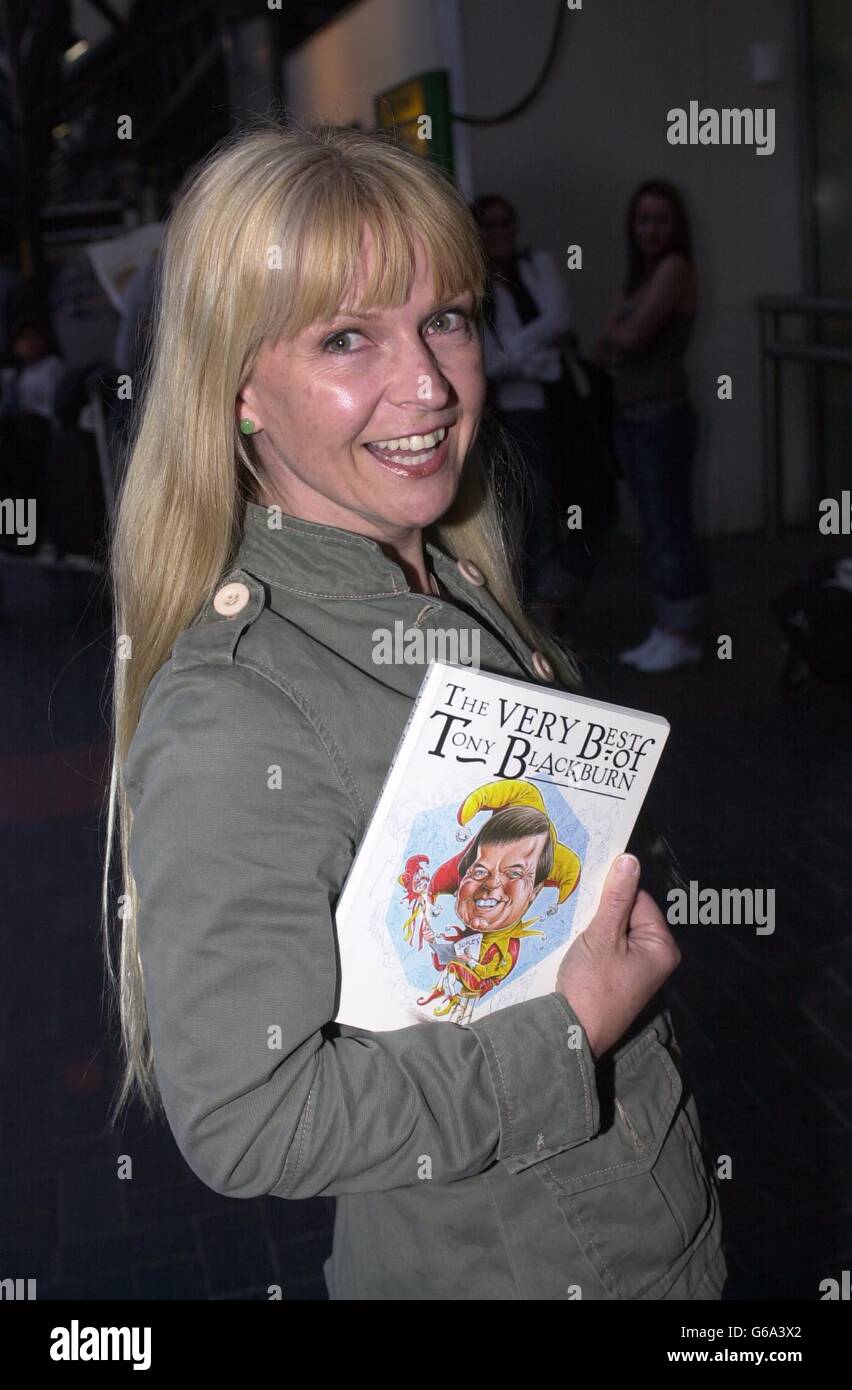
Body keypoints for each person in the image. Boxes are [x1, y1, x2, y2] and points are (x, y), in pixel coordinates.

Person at [104, 120, 726, 1301]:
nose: (431, 385)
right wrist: (569, 1034)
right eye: (348, 338)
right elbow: (248, 1119)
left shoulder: (449, 565)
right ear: (238, 390)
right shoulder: (236, 709)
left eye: (445, 315)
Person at [593, 179, 709, 673]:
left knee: (669, 529)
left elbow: (630, 336)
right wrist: (619, 335)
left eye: (661, 219)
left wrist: (622, 332)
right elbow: (604, 344)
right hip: (635, 418)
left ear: (676, 225)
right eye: (643, 219)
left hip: (662, 418)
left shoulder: (674, 269)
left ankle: (679, 633)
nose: (652, 229)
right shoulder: (641, 275)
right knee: (656, 528)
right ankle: (667, 627)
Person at [471, 195, 581, 630]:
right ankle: (520, 614)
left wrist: (512, 354)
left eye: (506, 224)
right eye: (490, 226)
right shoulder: (475, 285)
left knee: (552, 507)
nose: (500, 234)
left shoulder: (537, 266)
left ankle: (547, 608)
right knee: (513, 513)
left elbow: (559, 319)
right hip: (502, 416)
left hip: (552, 410)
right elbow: (487, 362)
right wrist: (536, 358)